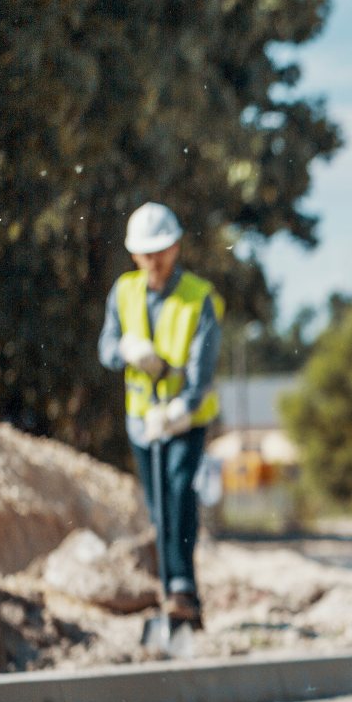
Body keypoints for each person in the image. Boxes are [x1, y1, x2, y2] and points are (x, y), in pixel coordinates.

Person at [96, 202, 222, 630]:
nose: (154, 259)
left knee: (178, 490)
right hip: (141, 419)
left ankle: (182, 587)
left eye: (161, 249)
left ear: (176, 247)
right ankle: (174, 594)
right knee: (157, 506)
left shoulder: (198, 298)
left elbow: (201, 371)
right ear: (135, 254)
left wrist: (178, 411)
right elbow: (106, 348)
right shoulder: (124, 292)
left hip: (185, 418)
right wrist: (128, 350)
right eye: (146, 252)